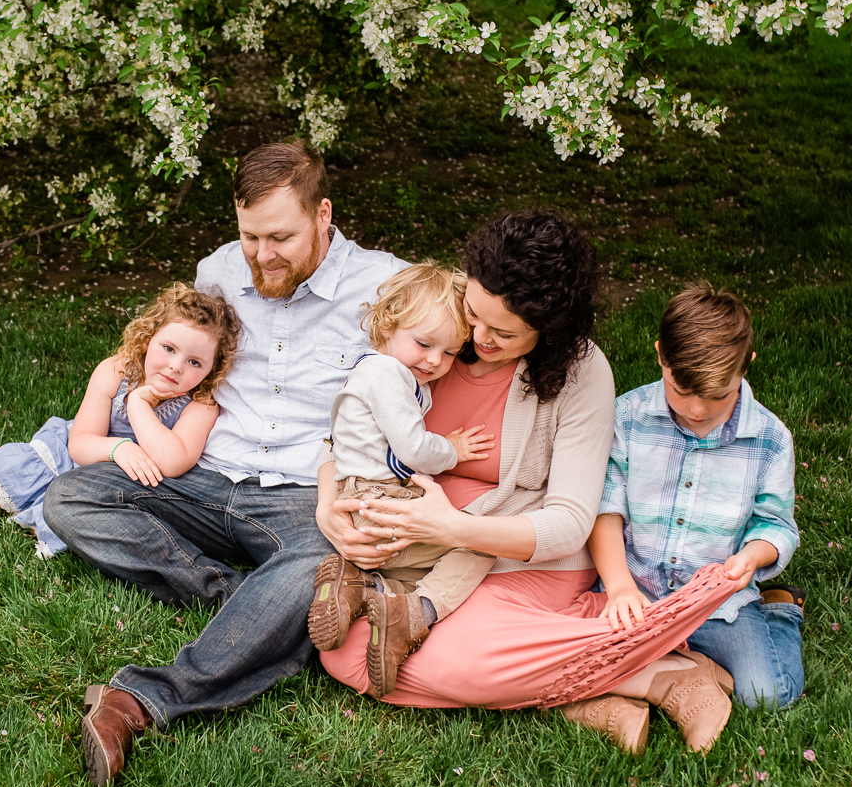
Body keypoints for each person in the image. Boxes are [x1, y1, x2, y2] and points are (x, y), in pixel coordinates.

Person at [43, 140, 407, 787]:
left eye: (280, 237)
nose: (263, 255)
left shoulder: (385, 286)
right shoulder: (218, 268)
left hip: (305, 494)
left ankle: (140, 700)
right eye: (250, 237)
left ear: (323, 214)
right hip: (201, 477)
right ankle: (246, 602)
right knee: (71, 497)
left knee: (317, 559)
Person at [319, 212, 749, 756]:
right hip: (416, 553)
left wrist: (455, 526)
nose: (477, 338)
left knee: (450, 658)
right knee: (347, 653)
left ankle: (663, 673)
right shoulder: (432, 330)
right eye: (473, 315)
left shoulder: (581, 372)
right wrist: (327, 504)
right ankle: (588, 690)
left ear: (550, 329)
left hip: (518, 557)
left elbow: (570, 522)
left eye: (503, 333)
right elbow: (344, 430)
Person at [587, 282, 803, 713]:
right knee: (586, 665)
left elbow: (774, 524)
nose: (698, 409)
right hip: (638, 588)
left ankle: (781, 613)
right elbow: (606, 508)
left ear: (747, 365)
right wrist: (620, 588)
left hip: (715, 604)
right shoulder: (626, 418)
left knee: (767, 696)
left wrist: (753, 557)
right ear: (660, 356)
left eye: (718, 395)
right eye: (681, 390)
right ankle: (674, 659)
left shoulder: (770, 440)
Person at [0, 284, 239, 557]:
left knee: (74, 527)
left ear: (212, 370)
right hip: (80, 453)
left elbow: (172, 463)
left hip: (120, 485)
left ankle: (12, 503)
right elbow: (80, 445)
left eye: (194, 362)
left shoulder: (201, 403)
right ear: (147, 340)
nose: (175, 367)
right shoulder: (118, 371)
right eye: (168, 348)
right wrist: (119, 447)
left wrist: (140, 404)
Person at [306, 261, 497, 697]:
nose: (435, 360)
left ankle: (357, 585)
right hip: (381, 501)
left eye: (450, 352)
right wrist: (453, 449)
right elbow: (411, 449)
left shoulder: (374, 371)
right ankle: (415, 614)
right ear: (388, 323)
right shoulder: (387, 374)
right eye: (425, 344)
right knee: (481, 543)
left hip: (362, 506)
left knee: (416, 562)